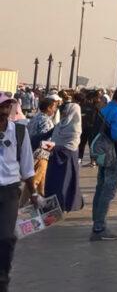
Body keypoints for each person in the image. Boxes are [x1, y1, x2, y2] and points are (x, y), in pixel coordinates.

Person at [0, 94, 40, 292]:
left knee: (6, 237)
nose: (5, 109)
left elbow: (27, 167)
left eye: (8, 105)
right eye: (2, 105)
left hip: (9, 191)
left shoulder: (19, 132)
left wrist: (33, 194)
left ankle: (2, 277)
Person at [90, 86, 117, 241]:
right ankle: (100, 228)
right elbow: (116, 135)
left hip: (104, 155)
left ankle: (96, 223)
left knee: (100, 188)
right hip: (115, 155)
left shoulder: (105, 109)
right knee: (108, 191)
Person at [45, 97, 84, 213]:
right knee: (53, 183)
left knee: (65, 184)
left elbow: (70, 147)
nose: (64, 113)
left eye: (67, 111)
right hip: (55, 158)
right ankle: (53, 205)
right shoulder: (61, 124)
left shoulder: (75, 128)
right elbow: (48, 134)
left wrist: (55, 147)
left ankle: (65, 205)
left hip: (68, 160)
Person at [27, 94, 58, 196]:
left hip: (33, 151)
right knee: (35, 181)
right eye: (54, 107)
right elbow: (46, 141)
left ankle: (41, 203)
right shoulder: (46, 121)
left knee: (41, 183)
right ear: (49, 108)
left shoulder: (36, 117)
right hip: (42, 155)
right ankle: (23, 205)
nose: (55, 110)